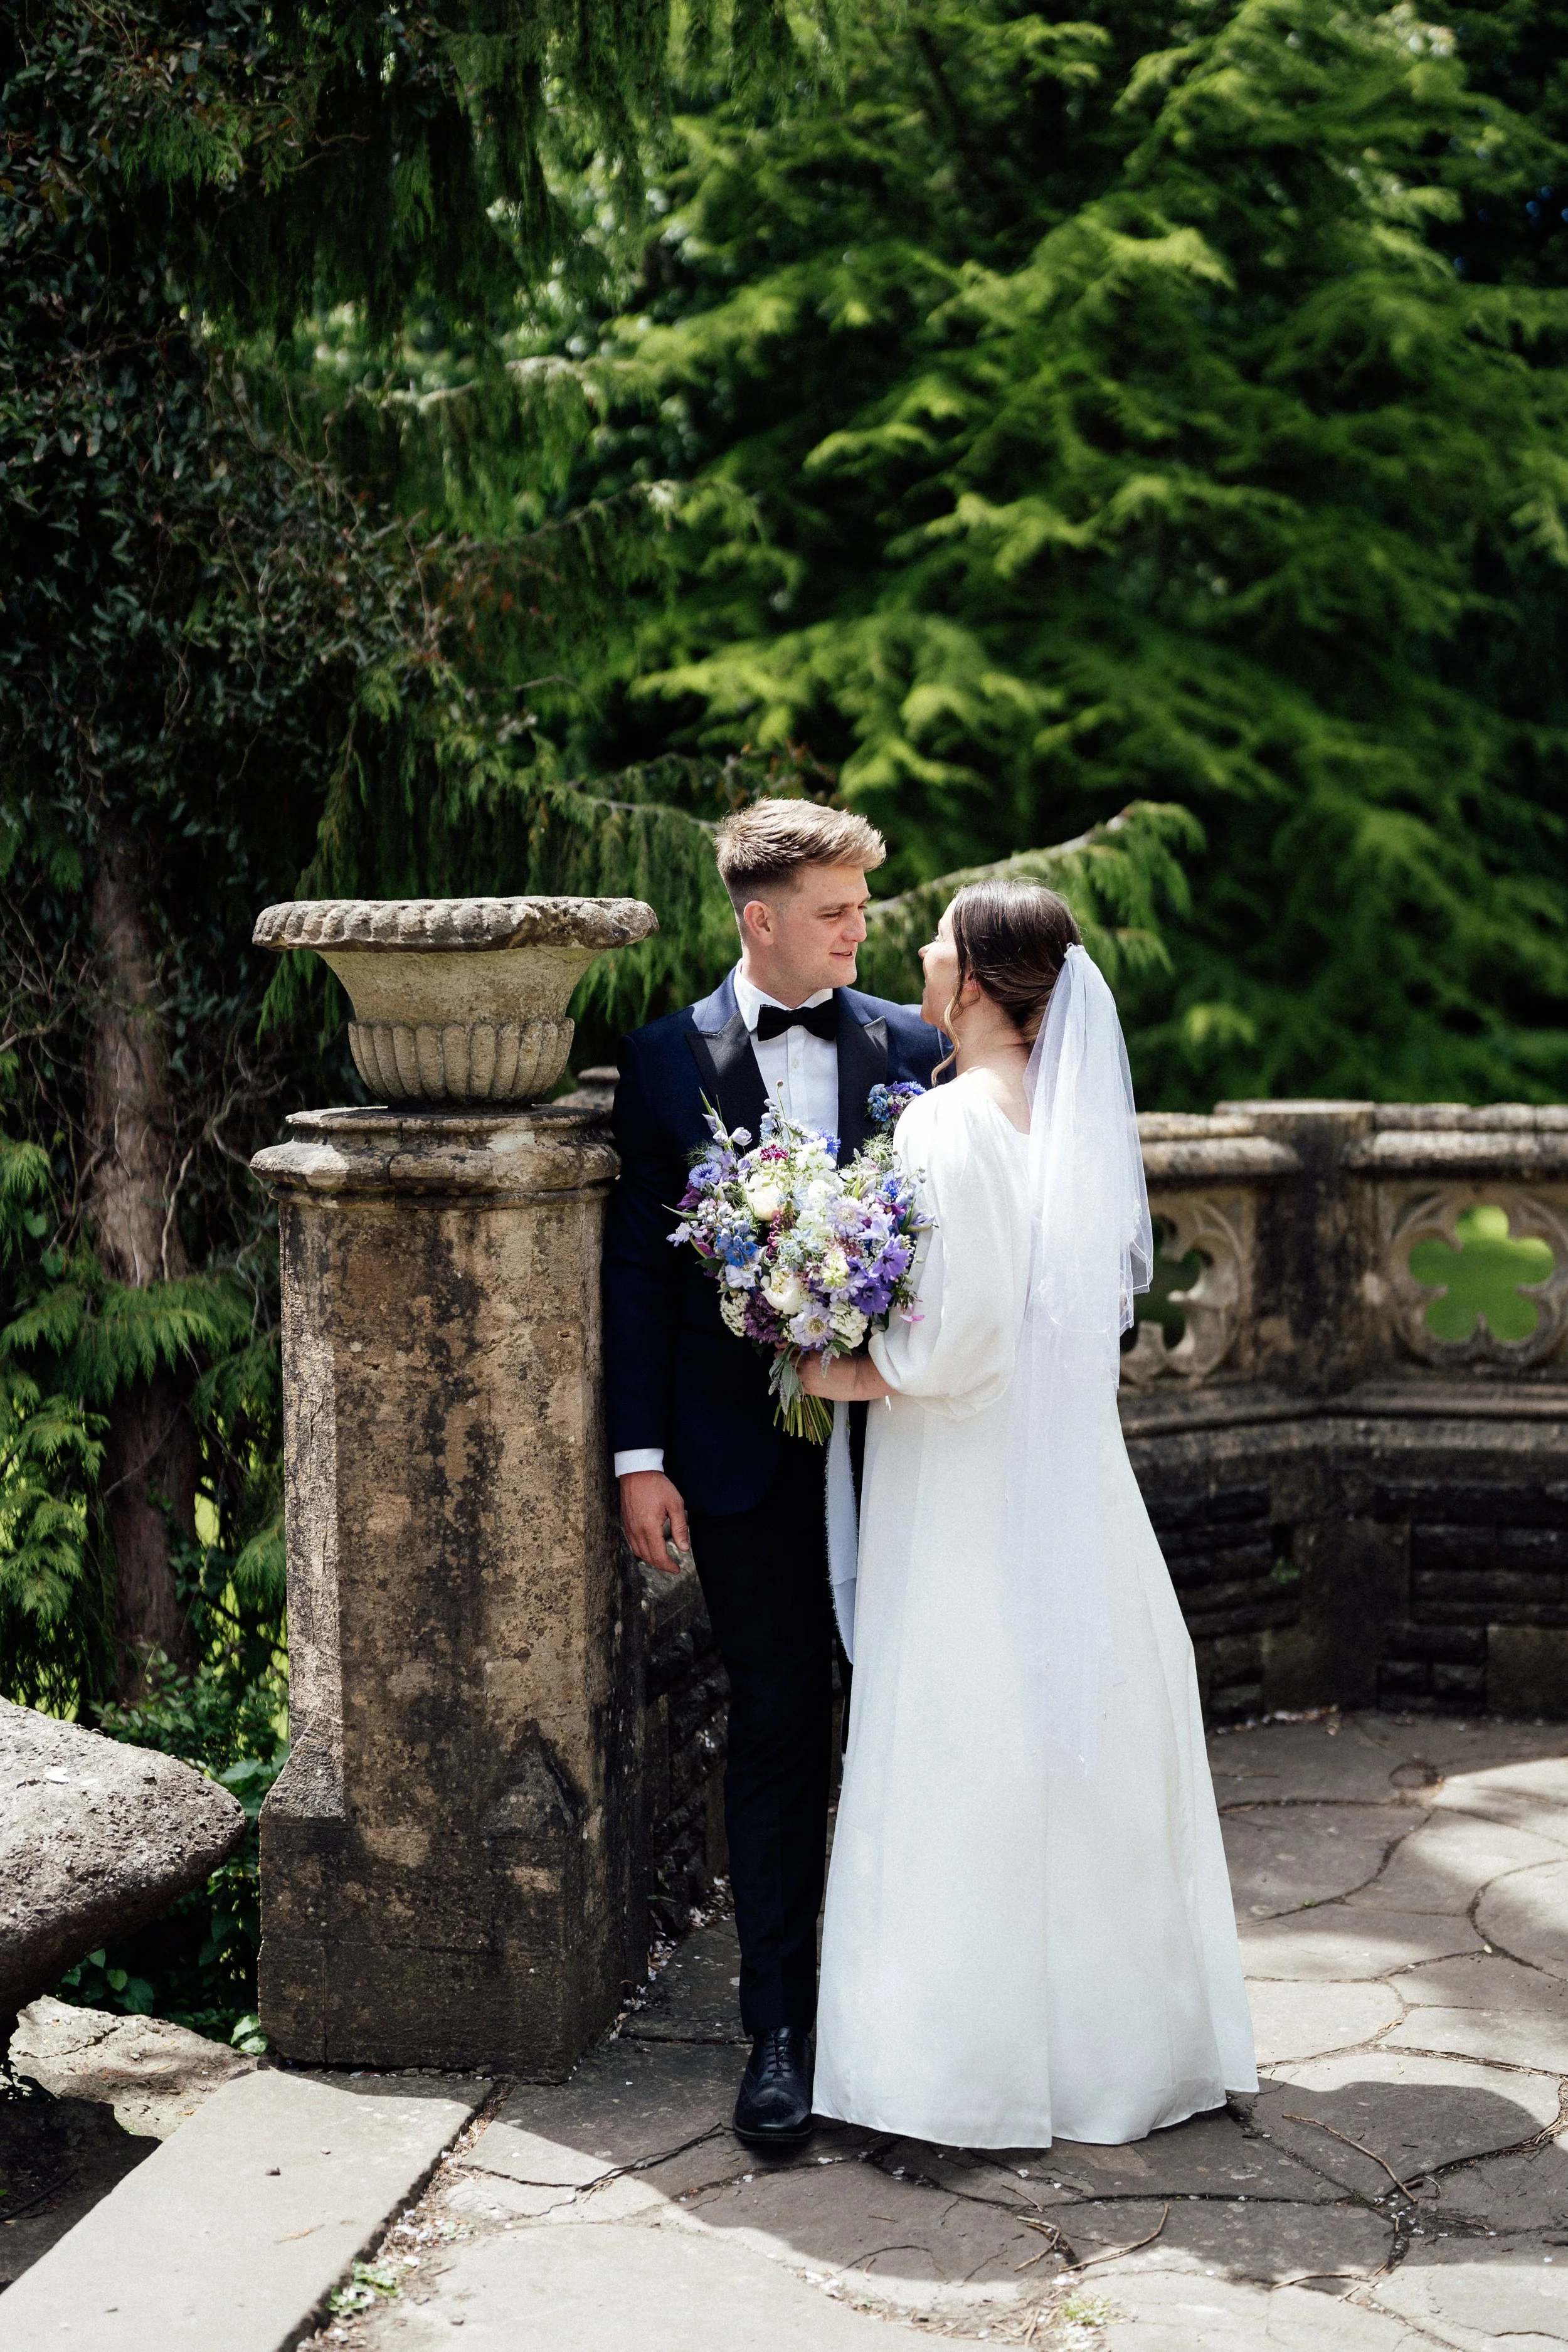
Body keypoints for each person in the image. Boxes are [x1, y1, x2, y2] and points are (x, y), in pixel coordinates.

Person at [802, 880, 1258, 2148]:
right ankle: (1114, 2050)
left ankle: (949, 2073)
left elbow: (956, 1342)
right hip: (1060, 1482)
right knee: (1066, 1736)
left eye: (936, 946)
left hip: (957, 1485)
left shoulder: (947, 1128)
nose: (918, 958)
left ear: (979, 985)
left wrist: (833, 1362)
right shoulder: (1054, 1125)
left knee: (960, 1735)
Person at [603, 800, 944, 2149]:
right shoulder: (656, 1061)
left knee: (915, 1724)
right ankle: (781, 2033)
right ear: (760, 919)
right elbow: (633, 1274)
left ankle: (915, 2017)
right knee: (777, 1724)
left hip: (902, 1454)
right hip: (735, 1464)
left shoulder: (910, 1050)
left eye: (862, 906)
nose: (862, 930)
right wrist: (639, 1461)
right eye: (836, 910)